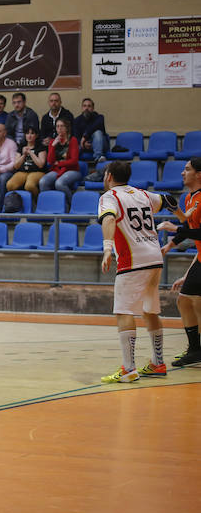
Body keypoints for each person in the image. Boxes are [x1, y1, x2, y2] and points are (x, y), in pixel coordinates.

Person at [98, 160, 167, 382]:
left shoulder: (109, 197)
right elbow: (166, 200)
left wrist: (107, 248)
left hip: (133, 261)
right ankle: (158, 363)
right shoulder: (143, 194)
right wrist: (183, 215)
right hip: (155, 257)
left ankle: (129, 369)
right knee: (150, 310)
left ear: (109, 176)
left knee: (124, 312)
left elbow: (108, 218)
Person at [159, 158, 201, 367]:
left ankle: (196, 349)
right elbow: (188, 226)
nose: (183, 173)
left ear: (199, 174)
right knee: (185, 300)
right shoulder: (189, 199)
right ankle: (195, 350)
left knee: (194, 302)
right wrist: (170, 245)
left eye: (187, 169)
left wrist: (175, 229)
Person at [39, 117, 81, 205]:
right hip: (57, 170)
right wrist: (53, 146)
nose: (59, 129)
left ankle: (72, 204)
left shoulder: (73, 140)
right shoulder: (53, 142)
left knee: (59, 183)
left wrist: (59, 163)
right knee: (43, 182)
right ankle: (51, 205)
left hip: (72, 170)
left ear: (67, 128)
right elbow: (50, 161)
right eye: (57, 126)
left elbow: (74, 160)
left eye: (62, 126)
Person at [6, 125, 47, 200]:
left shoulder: (41, 147)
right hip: (23, 171)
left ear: (37, 135)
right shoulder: (21, 147)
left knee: (29, 186)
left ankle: (37, 201)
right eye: (27, 133)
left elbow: (41, 164)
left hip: (37, 172)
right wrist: (24, 155)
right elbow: (16, 166)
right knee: (10, 185)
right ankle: (20, 200)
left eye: (32, 133)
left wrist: (31, 153)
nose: (29, 136)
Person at [72, 98, 108, 163]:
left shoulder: (99, 117)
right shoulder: (77, 120)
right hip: (84, 145)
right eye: (84, 106)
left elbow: (93, 127)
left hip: (100, 144)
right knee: (74, 144)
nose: (86, 108)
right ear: (82, 107)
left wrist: (85, 136)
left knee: (98, 132)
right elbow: (76, 136)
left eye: (89, 106)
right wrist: (83, 142)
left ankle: (98, 158)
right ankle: (71, 162)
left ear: (93, 108)